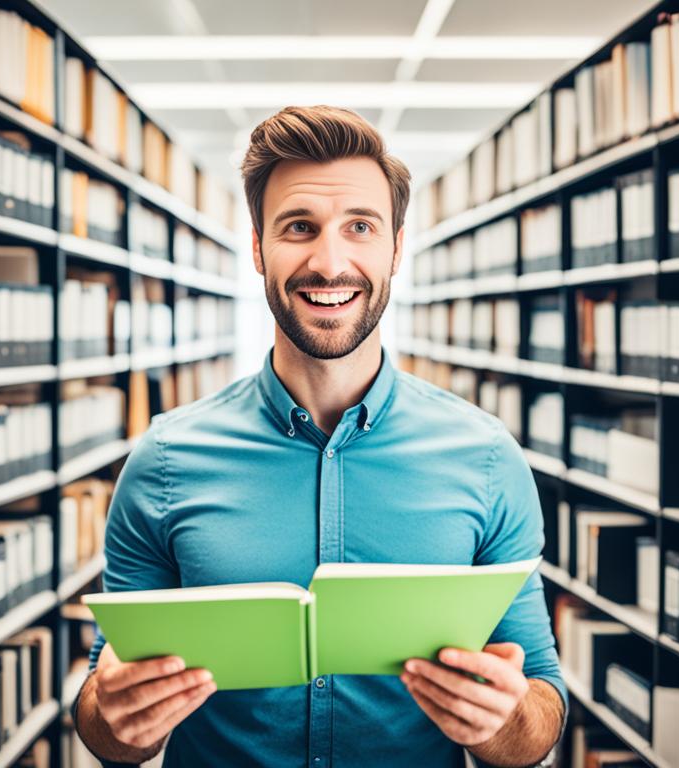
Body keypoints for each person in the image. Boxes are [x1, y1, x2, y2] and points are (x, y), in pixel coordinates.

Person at [73, 105, 566, 767]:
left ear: (395, 247)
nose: (329, 263)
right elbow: (105, 713)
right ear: (257, 247)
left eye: (359, 227)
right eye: (299, 227)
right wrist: (114, 717)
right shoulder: (164, 460)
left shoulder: (485, 457)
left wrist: (501, 721)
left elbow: (541, 708)